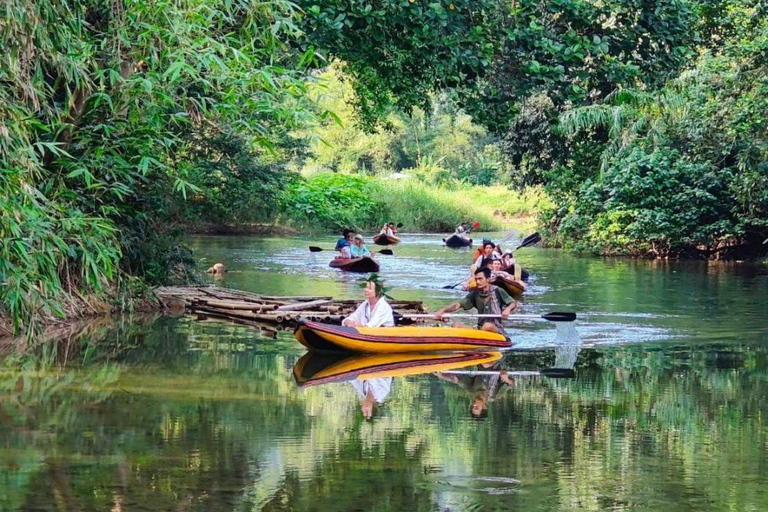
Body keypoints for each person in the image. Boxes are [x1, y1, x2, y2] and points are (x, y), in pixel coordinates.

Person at [434, 267, 517, 334]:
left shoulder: (498, 291)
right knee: (455, 325)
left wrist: (508, 309)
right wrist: (443, 310)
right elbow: (458, 305)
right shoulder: (475, 294)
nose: (477, 281)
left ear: (488, 279)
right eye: (476, 279)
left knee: (487, 326)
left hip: (495, 328)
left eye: (480, 279)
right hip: (480, 328)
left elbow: (513, 303)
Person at [436, 361, 514, 419]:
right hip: (495, 362)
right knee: (485, 364)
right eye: (476, 407)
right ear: (484, 407)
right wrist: (506, 378)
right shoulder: (496, 395)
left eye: (472, 407)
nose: (473, 405)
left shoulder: (471, 390)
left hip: (481, 360)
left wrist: (441, 375)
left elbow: (456, 379)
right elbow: (511, 383)